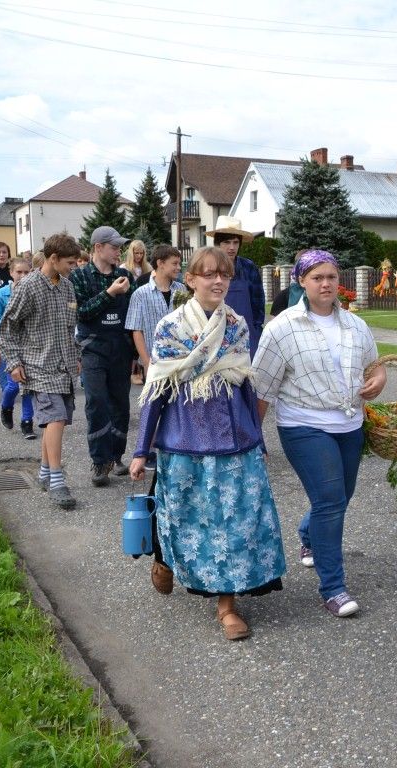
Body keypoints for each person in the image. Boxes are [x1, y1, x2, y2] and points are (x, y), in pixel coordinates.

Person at [128, 246, 286, 641]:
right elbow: (156, 390)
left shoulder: (237, 326)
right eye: (210, 274)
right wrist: (140, 449)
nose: (219, 281)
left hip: (235, 440)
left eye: (225, 275)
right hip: (185, 439)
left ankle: (227, 606)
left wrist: (258, 438)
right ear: (191, 280)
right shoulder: (170, 329)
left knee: (235, 524)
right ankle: (165, 561)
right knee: (180, 517)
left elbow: (246, 384)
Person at [251, 249, 386, 618]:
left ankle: (309, 535)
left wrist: (378, 379)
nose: (326, 284)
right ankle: (334, 588)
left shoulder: (356, 326)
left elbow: (374, 366)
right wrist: (254, 437)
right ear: (301, 282)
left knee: (340, 497)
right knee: (329, 499)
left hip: (349, 425)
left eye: (331, 276)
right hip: (303, 425)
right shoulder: (282, 328)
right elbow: (261, 387)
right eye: (317, 278)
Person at [0, 233, 82, 510]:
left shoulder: (68, 287)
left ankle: (45, 472)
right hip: (38, 365)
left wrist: (76, 355)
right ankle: (57, 480)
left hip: (64, 366)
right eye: (70, 262)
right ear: (53, 259)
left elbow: (72, 328)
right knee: (55, 419)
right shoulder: (28, 286)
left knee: (57, 421)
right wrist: (13, 363)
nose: (74, 266)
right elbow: (6, 328)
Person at [70, 225, 136, 487]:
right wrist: (110, 294)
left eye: (120, 247)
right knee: (96, 402)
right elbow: (82, 312)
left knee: (121, 403)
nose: (119, 252)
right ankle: (99, 461)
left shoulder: (124, 275)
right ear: (98, 247)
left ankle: (116, 456)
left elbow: (132, 314)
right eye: (114, 247)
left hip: (120, 346)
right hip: (93, 347)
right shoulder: (80, 277)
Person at [0, 256, 36, 439]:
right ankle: (6, 406)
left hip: (30, 344)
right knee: (14, 385)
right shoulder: (2, 294)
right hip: (8, 343)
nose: (23, 276)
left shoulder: (33, 292)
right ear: (11, 273)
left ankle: (27, 422)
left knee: (29, 384)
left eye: (27, 272)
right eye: (19, 272)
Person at [207, 216, 265, 355]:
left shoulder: (248, 267)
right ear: (217, 243)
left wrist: (256, 330)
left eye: (236, 242)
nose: (232, 247)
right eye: (227, 242)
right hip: (216, 335)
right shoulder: (207, 268)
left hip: (247, 336)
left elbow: (258, 303)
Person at [126, 245, 185, 376]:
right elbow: (136, 330)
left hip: (180, 361)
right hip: (154, 361)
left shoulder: (182, 290)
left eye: (179, 263)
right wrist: (146, 362)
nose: (179, 267)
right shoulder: (140, 293)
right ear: (160, 263)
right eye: (174, 263)